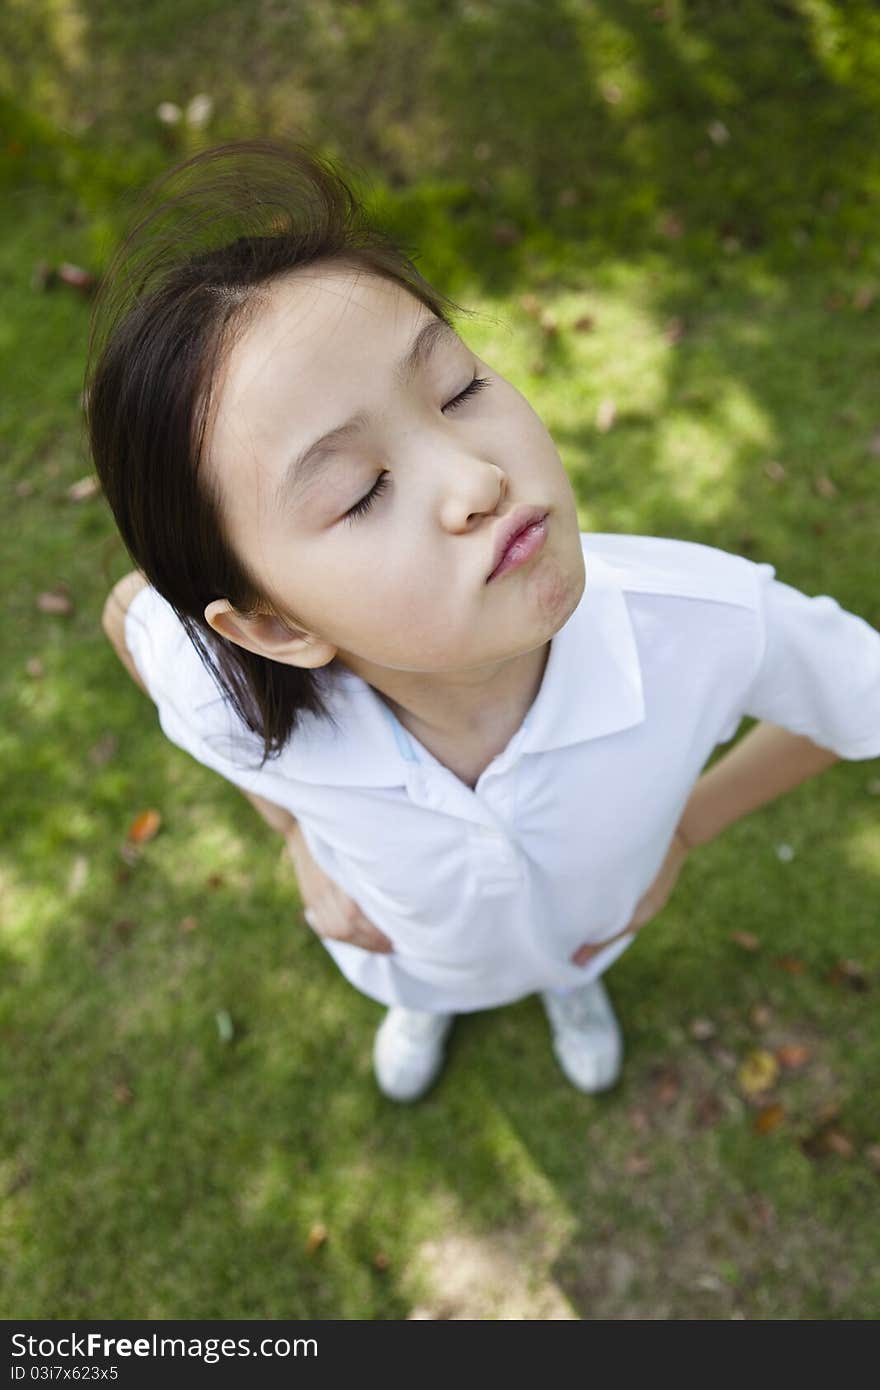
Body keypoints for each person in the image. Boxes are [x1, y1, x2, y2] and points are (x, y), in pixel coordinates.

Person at [91, 137, 880, 1103]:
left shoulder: (705, 622)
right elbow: (129, 612)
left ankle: (569, 991)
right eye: (360, 490)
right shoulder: (247, 695)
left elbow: (857, 696)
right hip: (402, 947)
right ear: (273, 628)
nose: (476, 479)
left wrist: (685, 832)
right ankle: (427, 1001)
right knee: (428, 972)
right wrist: (295, 835)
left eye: (459, 387)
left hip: (591, 927)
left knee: (574, 956)